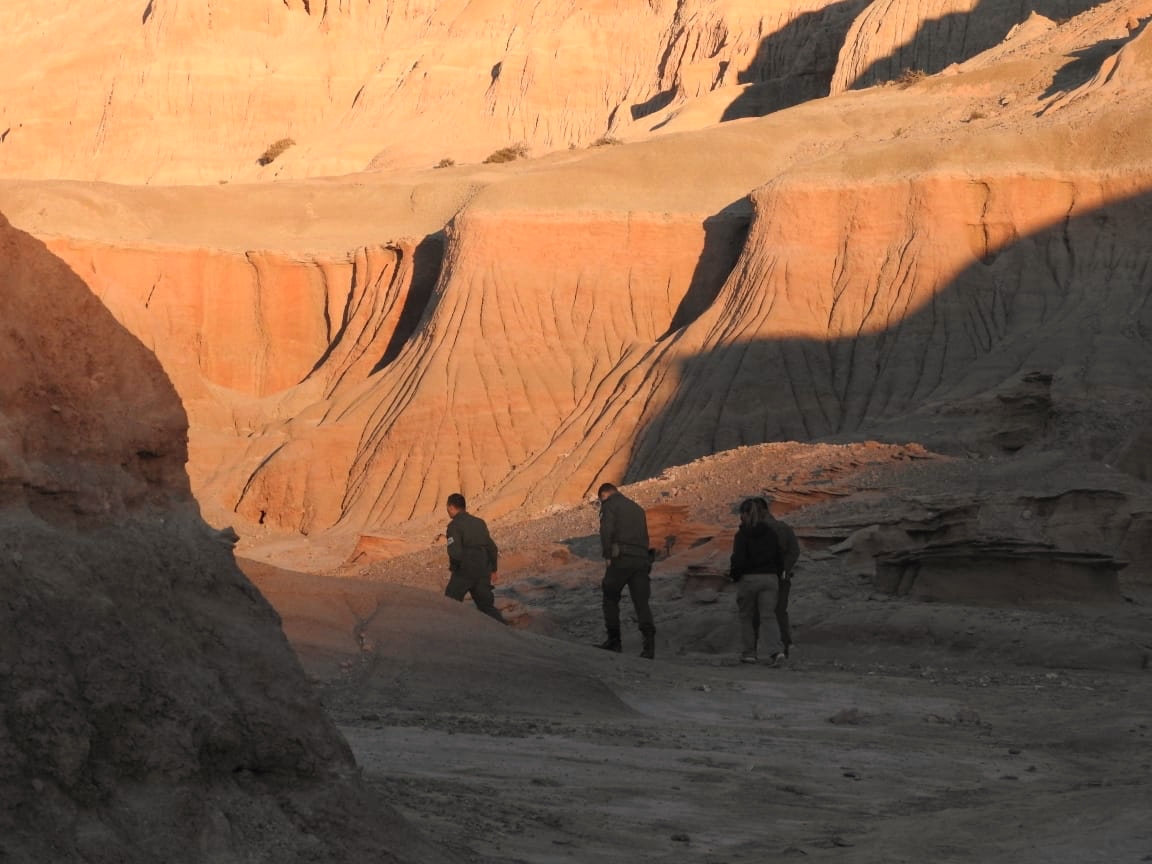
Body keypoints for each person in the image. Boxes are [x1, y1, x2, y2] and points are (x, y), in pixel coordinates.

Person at [595, 482, 656, 659]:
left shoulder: (609, 505)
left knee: (610, 597)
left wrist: (607, 555)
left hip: (621, 559)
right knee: (642, 604)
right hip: (642, 560)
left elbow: (606, 531)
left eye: (601, 500)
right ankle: (649, 648)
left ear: (604, 496)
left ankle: (614, 642)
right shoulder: (637, 508)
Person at [729, 497, 785, 664]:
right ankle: (776, 652)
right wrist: (778, 574)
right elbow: (779, 557)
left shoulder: (742, 535)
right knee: (768, 616)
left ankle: (749, 653)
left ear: (745, 515)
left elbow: (738, 559)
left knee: (746, 616)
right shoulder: (771, 533)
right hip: (769, 578)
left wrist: (735, 576)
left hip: (749, 579)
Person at [443, 493, 506, 624]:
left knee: (449, 604)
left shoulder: (454, 526)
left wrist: (456, 569)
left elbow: (454, 552)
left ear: (451, 507)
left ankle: (451, 635)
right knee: (487, 607)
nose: (447, 510)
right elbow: (492, 548)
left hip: (465, 570)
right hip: (483, 570)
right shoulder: (480, 523)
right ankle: (507, 633)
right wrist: (493, 569)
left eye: (447, 507)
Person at [755, 496, 800, 658]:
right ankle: (784, 647)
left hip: (763, 576)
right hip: (782, 577)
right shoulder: (785, 527)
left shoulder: (757, 530)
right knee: (779, 612)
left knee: (762, 613)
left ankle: (760, 651)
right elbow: (794, 551)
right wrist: (784, 569)